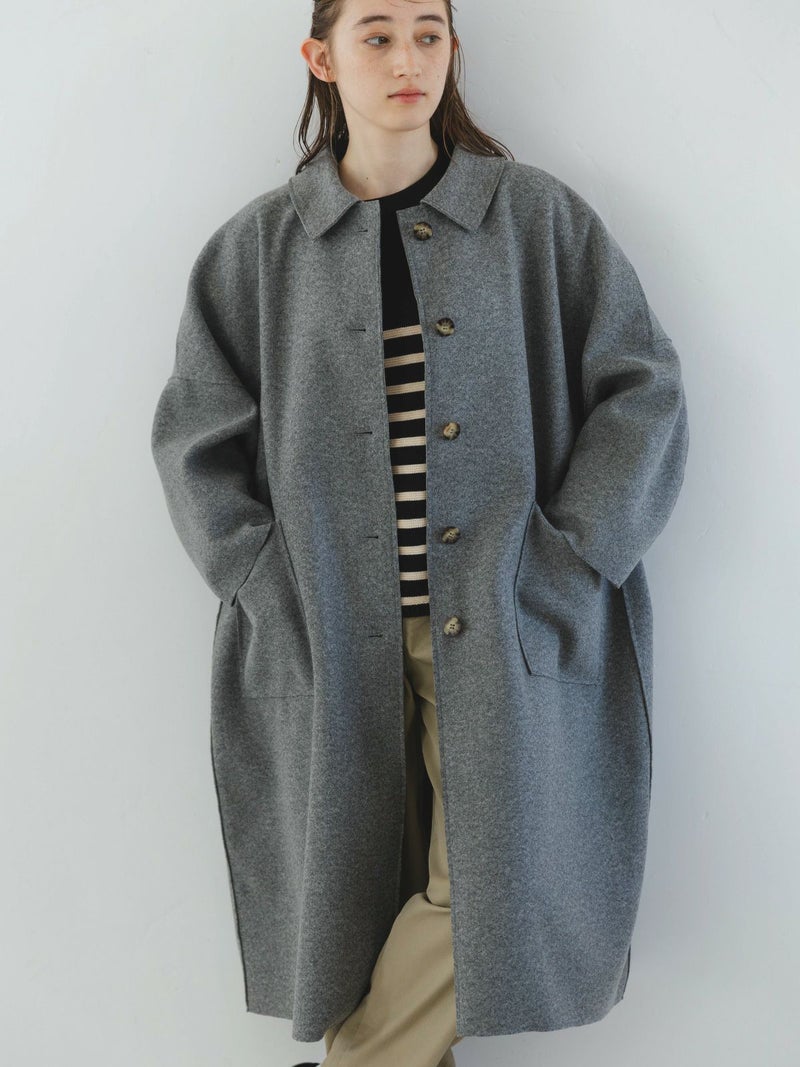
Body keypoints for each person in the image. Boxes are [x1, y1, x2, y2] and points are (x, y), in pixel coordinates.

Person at [150, 1, 690, 1066]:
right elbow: (193, 443)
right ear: (320, 57)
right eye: (378, 35)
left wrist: (569, 559)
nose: (409, 58)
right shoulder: (259, 248)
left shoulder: (534, 220)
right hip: (326, 639)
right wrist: (259, 579)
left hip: (506, 627)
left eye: (429, 34)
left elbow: (644, 392)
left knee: (486, 891)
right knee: (352, 914)